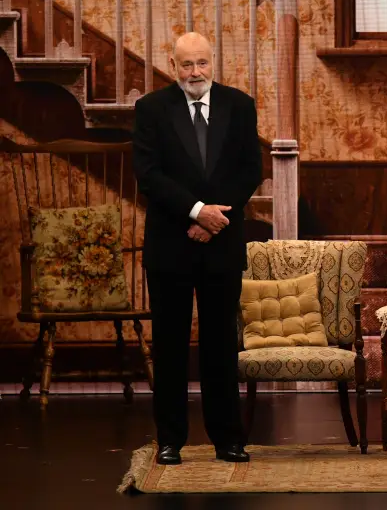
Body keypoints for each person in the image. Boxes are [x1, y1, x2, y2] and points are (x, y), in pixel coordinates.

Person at [133, 32, 262, 465]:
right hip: (170, 245)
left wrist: (214, 220)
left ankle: (228, 438)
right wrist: (195, 211)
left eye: (202, 63)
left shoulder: (240, 105)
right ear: (173, 65)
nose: (195, 73)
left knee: (220, 345)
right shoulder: (151, 109)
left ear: (213, 62)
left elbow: (250, 170)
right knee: (169, 346)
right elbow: (148, 176)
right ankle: (170, 440)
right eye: (186, 65)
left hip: (220, 243)